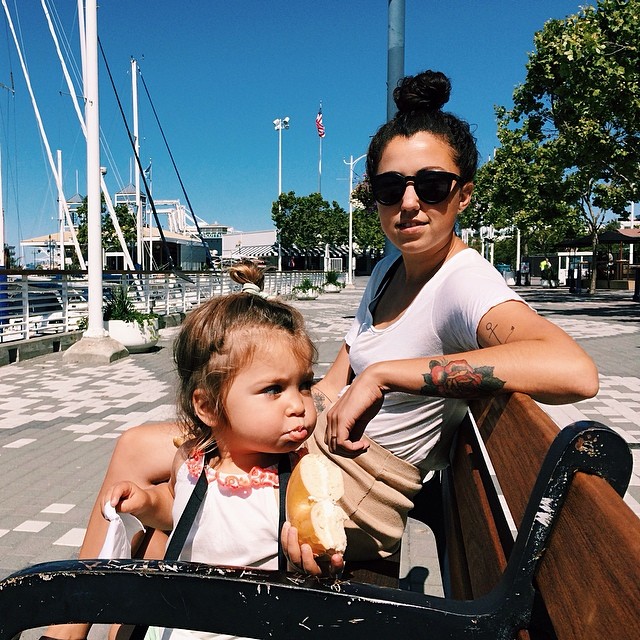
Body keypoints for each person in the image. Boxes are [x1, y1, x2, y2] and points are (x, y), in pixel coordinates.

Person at [43, 70, 599, 640]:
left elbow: (573, 371)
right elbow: (333, 384)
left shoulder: (463, 282)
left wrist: (386, 376)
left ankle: (64, 631)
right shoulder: (390, 270)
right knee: (163, 499)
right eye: (390, 188)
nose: (409, 203)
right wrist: (284, 392)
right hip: (323, 452)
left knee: (145, 457)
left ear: (464, 193)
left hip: (360, 484)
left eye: (432, 185)